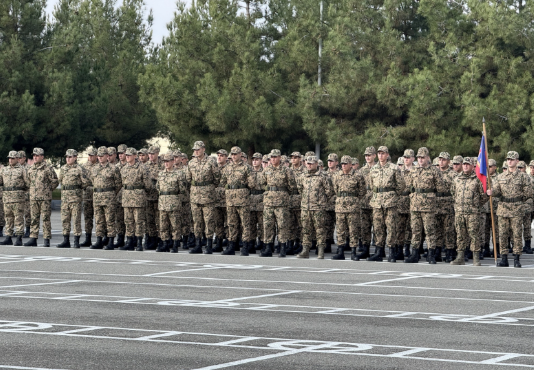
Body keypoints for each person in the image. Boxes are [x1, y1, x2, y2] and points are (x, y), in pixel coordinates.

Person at [488, 151, 533, 268]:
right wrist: (492, 192)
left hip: (517, 209)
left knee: (517, 235)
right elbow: (497, 191)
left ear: (517, 161)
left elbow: (529, 194)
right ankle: (504, 258)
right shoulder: (500, 176)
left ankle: (517, 258)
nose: (509, 161)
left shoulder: (523, 177)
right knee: (502, 235)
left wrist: (523, 207)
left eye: (512, 159)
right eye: (508, 159)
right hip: (503, 209)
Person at [404, 147, 447, 264]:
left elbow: (441, 188)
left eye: (423, 157)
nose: (420, 160)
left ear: (428, 158)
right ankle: (415, 254)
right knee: (416, 230)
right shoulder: (413, 170)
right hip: (415, 205)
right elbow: (408, 185)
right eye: (418, 157)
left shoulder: (434, 171)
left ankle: (431, 254)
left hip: (428, 205)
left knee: (430, 231)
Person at [368, 146, 405, 262]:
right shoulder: (373, 169)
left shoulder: (394, 168)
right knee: (378, 228)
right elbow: (371, 184)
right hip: (377, 202)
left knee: (391, 227)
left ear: (387, 155)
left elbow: (401, 185)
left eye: (383, 153)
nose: (381, 156)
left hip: (390, 202)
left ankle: (392, 252)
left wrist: (393, 196)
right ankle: (379, 252)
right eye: (379, 153)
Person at [450, 157, 488, 266]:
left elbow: (483, 196)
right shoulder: (457, 179)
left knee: (474, 235)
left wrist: (476, 205)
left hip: (473, 213)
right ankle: (460, 257)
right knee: (460, 235)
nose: (466, 166)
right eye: (464, 164)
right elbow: (453, 193)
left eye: (468, 164)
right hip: (460, 212)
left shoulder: (477, 179)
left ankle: (476, 258)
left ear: (472, 166)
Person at [259, 149, 297, 257]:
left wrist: (282, 193)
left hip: (282, 203)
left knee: (282, 225)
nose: (273, 159)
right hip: (269, 202)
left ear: (280, 157)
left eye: (275, 157)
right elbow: (262, 184)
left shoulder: (286, 170)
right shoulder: (266, 170)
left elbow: (292, 186)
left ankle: (282, 248)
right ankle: (268, 248)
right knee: (267, 225)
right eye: (271, 157)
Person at [219, 146, 255, 255]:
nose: (234, 156)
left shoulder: (246, 167)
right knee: (231, 223)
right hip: (230, 199)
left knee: (245, 223)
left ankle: (245, 246)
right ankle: (231, 246)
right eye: (232, 154)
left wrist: (242, 188)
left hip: (242, 199)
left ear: (240, 154)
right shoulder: (227, 168)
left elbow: (252, 184)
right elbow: (223, 181)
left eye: (236, 154)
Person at [296, 156, 334, 259]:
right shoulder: (303, 176)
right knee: (306, 229)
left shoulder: (323, 176)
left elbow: (329, 191)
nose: (309, 165)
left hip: (318, 208)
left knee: (320, 229)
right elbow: (300, 189)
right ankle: (305, 250)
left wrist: (321, 202)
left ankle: (321, 250)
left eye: (312, 163)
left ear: (317, 164)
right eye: (308, 163)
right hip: (305, 207)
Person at [186, 141, 221, 253]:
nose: (196, 151)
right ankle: (198, 245)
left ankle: (209, 245)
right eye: (195, 150)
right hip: (195, 195)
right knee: (197, 221)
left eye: (198, 149)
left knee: (209, 220)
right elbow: (188, 179)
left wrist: (208, 187)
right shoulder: (191, 163)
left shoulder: (211, 161)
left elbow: (217, 178)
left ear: (203, 149)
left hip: (208, 195)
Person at [331, 155, 366, 260]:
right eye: (342, 164)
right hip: (340, 206)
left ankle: (353, 252)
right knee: (340, 230)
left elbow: (362, 191)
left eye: (346, 163)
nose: (343, 165)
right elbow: (335, 189)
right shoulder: (337, 175)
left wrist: (353, 199)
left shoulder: (357, 176)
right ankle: (340, 251)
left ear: (351, 164)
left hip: (352, 207)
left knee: (353, 230)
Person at [23, 148, 59, 247]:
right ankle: (33, 238)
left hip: (44, 198)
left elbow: (55, 181)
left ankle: (46, 239)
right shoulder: (31, 168)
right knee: (34, 218)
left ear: (42, 157)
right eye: (34, 155)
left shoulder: (48, 168)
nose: (35, 157)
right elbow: (28, 181)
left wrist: (47, 190)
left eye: (37, 155)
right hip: (34, 198)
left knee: (46, 219)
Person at [56, 149, 92, 248]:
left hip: (75, 198)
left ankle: (76, 240)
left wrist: (78, 188)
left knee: (76, 220)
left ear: (75, 157)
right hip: (65, 198)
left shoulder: (80, 169)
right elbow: (60, 180)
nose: (68, 159)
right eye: (67, 157)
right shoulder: (63, 169)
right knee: (65, 220)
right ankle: (66, 240)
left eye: (70, 157)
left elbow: (86, 182)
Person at [89, 147, 122, 250]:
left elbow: (118, 183)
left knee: (110, 220)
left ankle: (111, 241)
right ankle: (99, 240)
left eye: (102, 156)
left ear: (107, 156)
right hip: (97, 197)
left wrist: (110, 193)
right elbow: (92, 181)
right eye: (98, 156)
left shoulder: (113, 168)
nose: (99, 158)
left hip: (109, 197)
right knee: (99, 220)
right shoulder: (94, 168)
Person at [119, 148, 152, 251]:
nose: (127, 156)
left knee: (139, 221)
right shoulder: (124, 169)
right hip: (127, 197)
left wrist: (141, 192)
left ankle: (139, 242)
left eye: (130, 155)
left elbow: (148, 185)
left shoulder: (142, 168)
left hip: (138, 197)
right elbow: (120, 183)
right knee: (128, 221)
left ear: (135, 156)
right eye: (126, 155)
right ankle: (129, 242)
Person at [157, 153, 188, 253]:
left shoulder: (179, 174)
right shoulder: (161, 174)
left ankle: (175, 244)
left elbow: (182, 189)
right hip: (163, 202)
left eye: (168, 161)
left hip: (174, 202)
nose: (166, 163)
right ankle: (165, 243)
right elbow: (158, 187)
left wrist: (173, 195)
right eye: (164, 162)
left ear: (172, 162)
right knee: (163, 225)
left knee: (175, 225)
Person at [0, 151, 30, 246]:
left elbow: (28, 184)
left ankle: (19, 238)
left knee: (18, 218)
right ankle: (8, 237)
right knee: (8, 218)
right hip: (7, 198)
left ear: (17, 159)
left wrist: (20, 191)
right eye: (9, 158)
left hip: (18, 198)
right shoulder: (4, 170)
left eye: (12, 158)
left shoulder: (22, 170)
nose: (10, 160)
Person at [397, 149, 415, 259]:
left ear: (413, 158)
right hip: (400, 202)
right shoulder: (398, 170)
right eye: (405, 157)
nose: (406, 159)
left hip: (411, 202)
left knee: (410, 227)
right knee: (399, 227)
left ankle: (407, 248)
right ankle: (399, 249)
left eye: (408, 157)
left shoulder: (416, 171)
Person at [359, 147, 376, 256]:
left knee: (378, 228)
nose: (367, 157)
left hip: (376, 201)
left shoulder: (379, 168)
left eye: (369, 155)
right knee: (365, 227)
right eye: (366, 155)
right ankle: (365, 250)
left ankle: (380, 250)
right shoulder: (361, 170)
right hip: (365, 201)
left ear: (374, 155)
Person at [288, 152, 305, 254]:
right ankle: (290, 244)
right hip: (290, 200)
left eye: (295, 158)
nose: (293, 159)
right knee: (290, 224)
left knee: (301, 224)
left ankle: (301, 244)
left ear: (300, 159)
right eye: (292, 158)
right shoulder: (288, 170)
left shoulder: (304, 170)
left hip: (300, 200)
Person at [81, 147, 98, 246]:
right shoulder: (84, 167)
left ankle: (102, 238)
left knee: (100, 218)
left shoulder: (100, 166)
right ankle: (88, 238)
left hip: (99, 196)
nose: (90, 157)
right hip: (87, 196)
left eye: (92, 155)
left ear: (96, 156)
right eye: (89, 155)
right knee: (88, 218)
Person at [213, 149, 229, 252]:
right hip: (216, 200)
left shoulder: (229, 168)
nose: (219, 157)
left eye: (222, 156)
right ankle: (218, 243)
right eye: (218, 155)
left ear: (226, 157)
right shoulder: (214, 168)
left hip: (227, 200)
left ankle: (229, 242)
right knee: (218, 223)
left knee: (228, 223)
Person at [113, 144, 128, 248]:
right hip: (119, 198)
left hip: (130, 198)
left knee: (130, 220)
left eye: (122, 153)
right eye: (119, 153)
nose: (120, 155)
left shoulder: (131, 165)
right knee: (119, 219)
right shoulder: (116, 167)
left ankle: (132, 239)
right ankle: (120, 238)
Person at [18, 151, 31, 238]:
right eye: (17, 158)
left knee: (27, 213)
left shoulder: (29, 168)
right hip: (18, 195)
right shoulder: (16, 168)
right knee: (18, 213)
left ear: (24, 158)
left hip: (27, 194)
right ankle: (19, 230)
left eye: (20, 158)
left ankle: (28, 230)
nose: (18, 160)